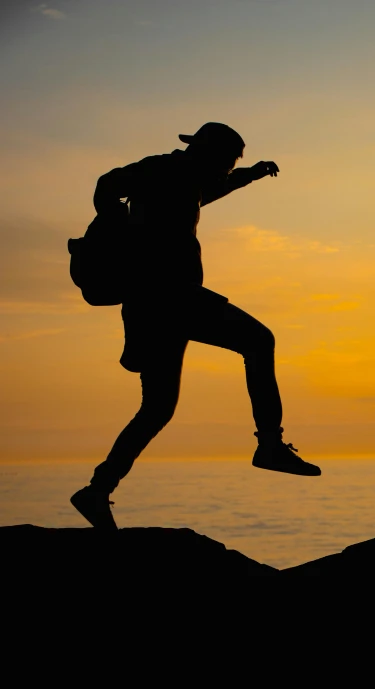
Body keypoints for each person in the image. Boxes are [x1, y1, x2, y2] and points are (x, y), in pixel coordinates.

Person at [71, 122, 321, 531]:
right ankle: (270, 446)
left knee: (157, 409)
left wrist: (252, 174)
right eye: (229, 161)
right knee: (259, 341)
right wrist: (118, 224)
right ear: (211, 154)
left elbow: (212, 190)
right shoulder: (163, 169)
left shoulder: (186, 179)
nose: (228, 169)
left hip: (153, 304)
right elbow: (106, 183)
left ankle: (97, 490)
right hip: (170, 297)